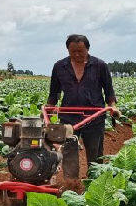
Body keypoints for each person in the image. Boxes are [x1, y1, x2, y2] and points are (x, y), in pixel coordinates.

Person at [46, 34, 119, 165]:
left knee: (95, 154)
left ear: (88, 49)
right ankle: (71, 182)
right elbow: (54, 93)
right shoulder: (59, 67)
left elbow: (109, 91)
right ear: (68, 50)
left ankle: (94, 181)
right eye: (73, 52)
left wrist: (112, 106)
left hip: (94, 117)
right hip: (69, 117)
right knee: (68, 152)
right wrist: (48, 109)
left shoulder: (100, 66)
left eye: (81, 51)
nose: (77, 55)